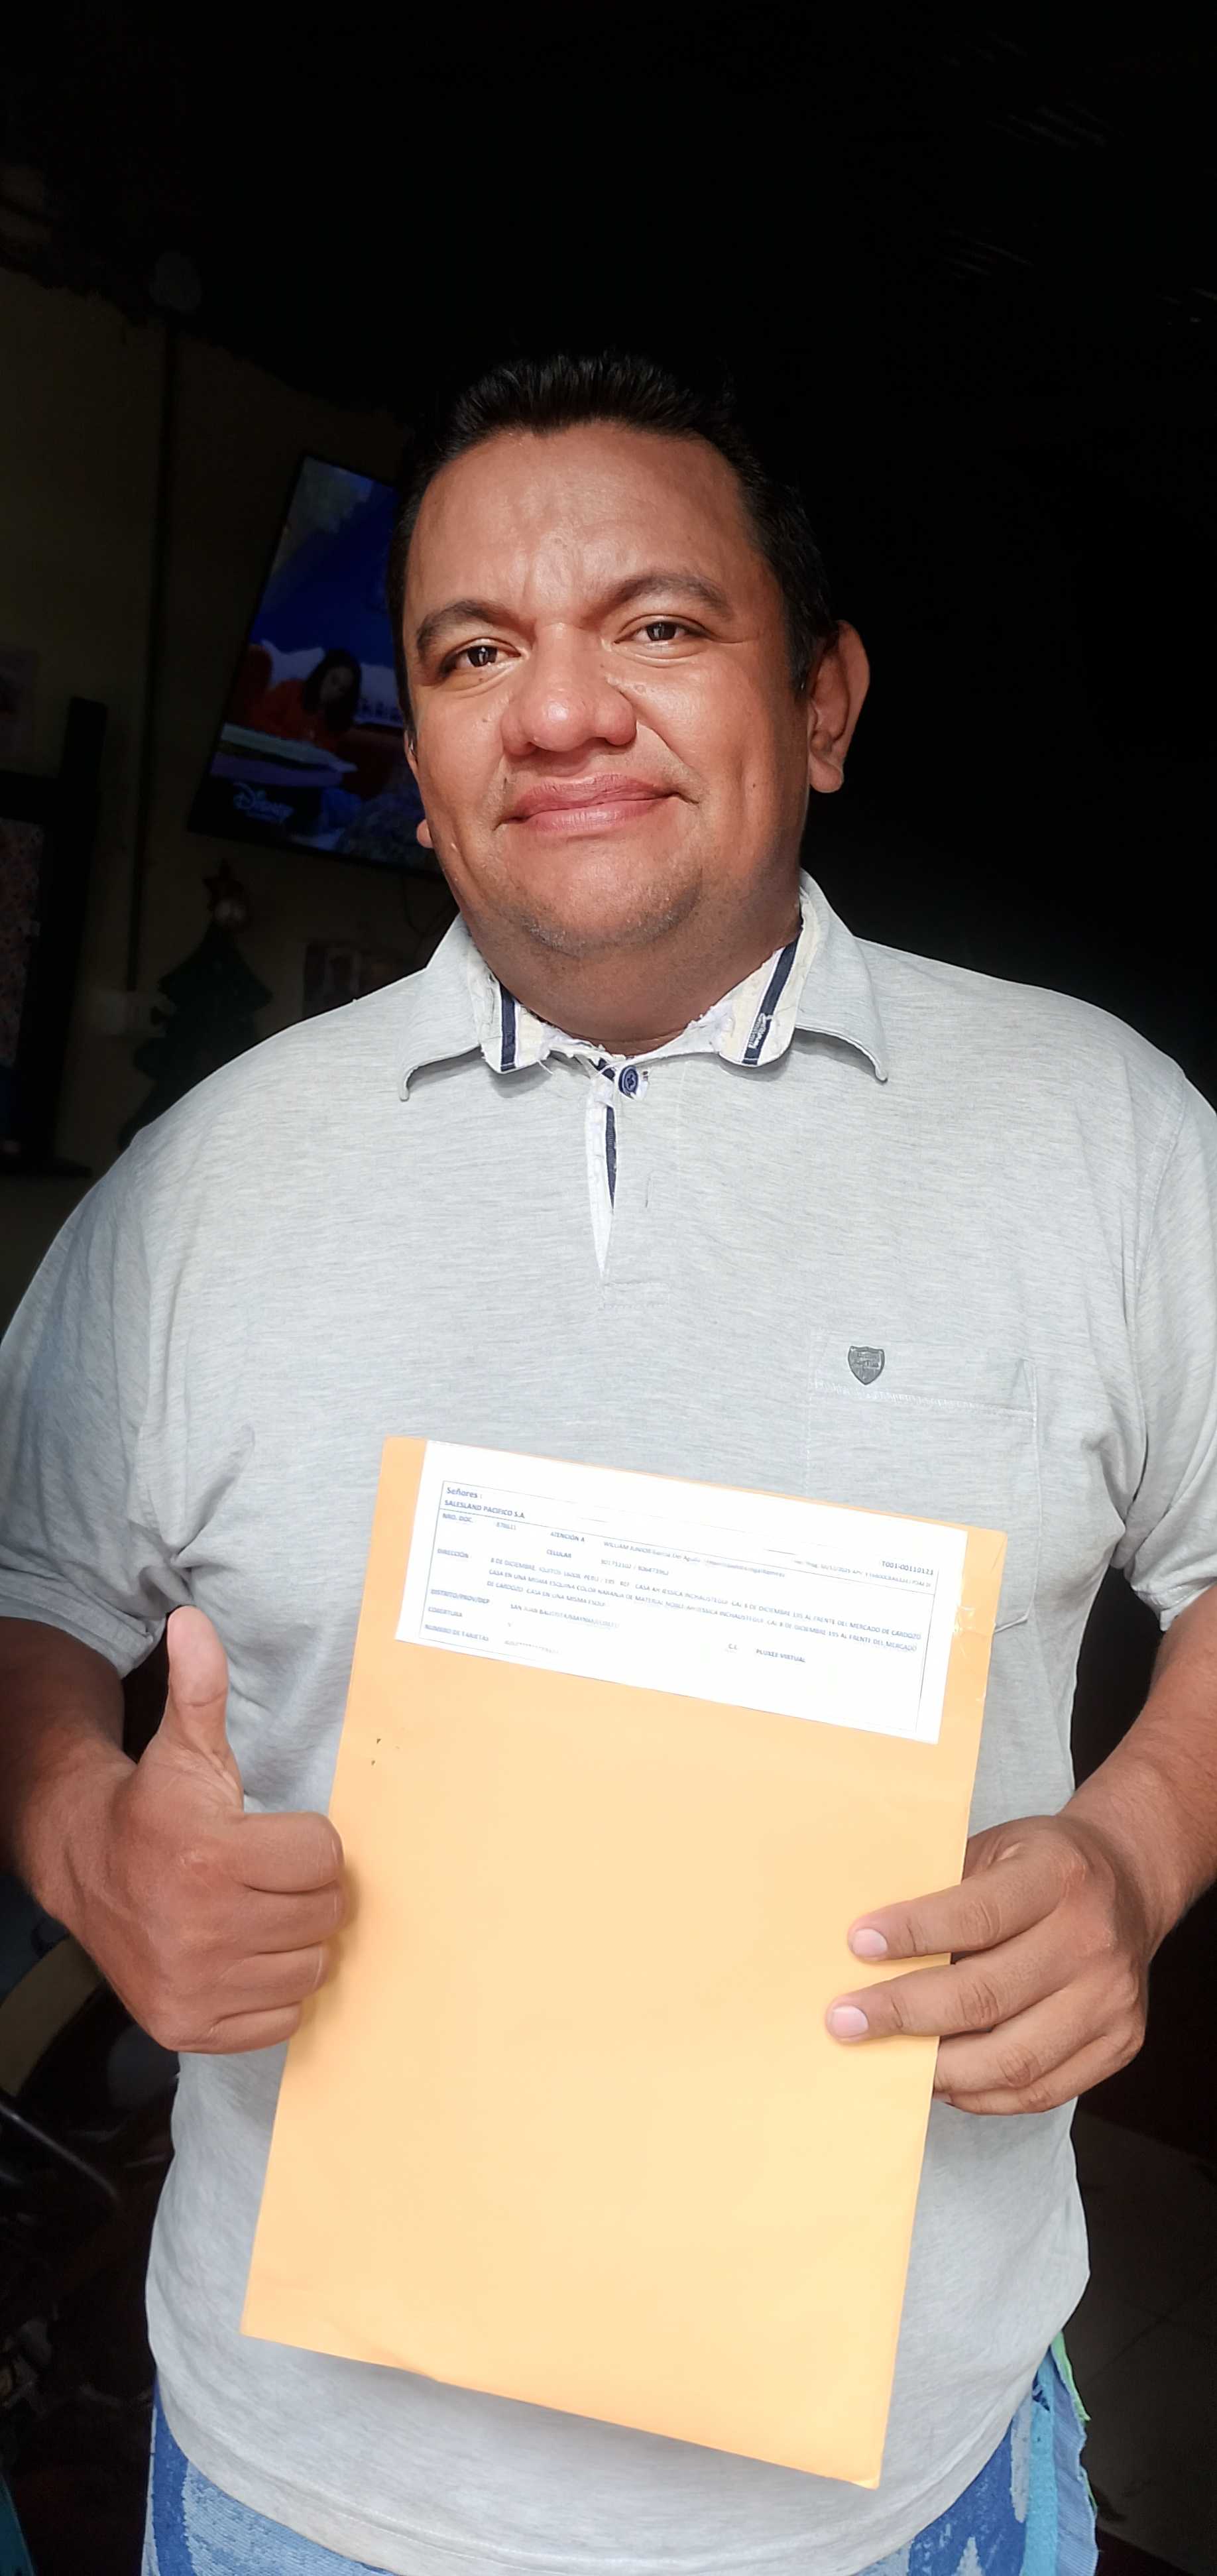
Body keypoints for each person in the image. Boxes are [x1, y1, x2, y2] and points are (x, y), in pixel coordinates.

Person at [2, 353, 1215, 2576]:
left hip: (893, 2498)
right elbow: (29, 1585)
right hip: (298, 2494)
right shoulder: (205, 1184)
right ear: (420, 754)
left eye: (654, 624)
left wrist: (1135, 1849)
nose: (558, 711)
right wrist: (84, 1838)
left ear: (822, 702)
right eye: (474, 654)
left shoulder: (1100, 1136)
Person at [248, 645, 362, 748]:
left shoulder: (335, 722)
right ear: (324, 672)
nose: (334, 691)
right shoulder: (291, 690)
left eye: (342, 689)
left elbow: (325, 751)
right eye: (334, 680)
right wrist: (293, 742)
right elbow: (256, 719)